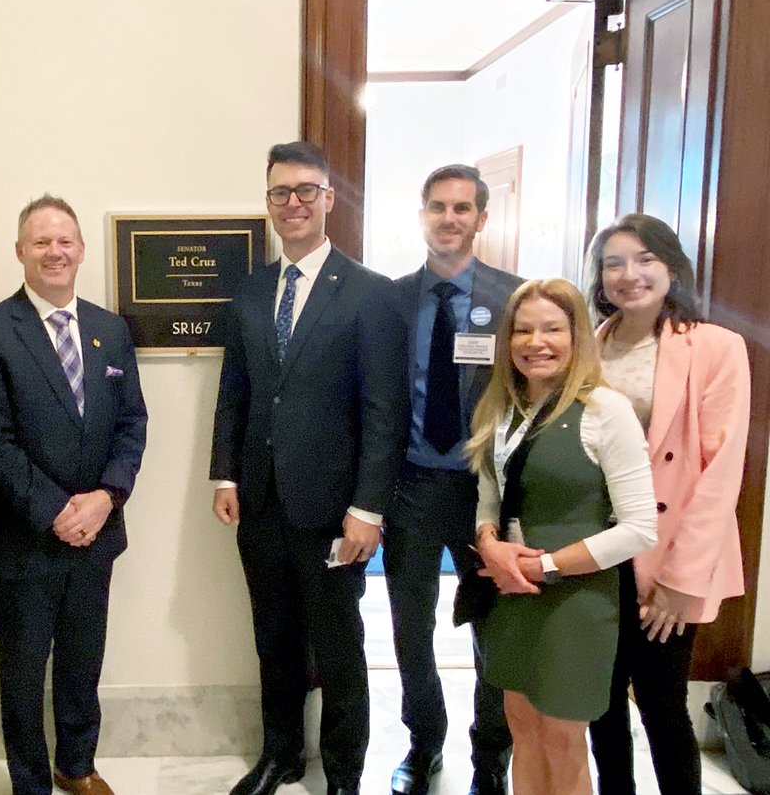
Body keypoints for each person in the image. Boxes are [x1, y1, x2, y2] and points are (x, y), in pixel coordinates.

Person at [210, 141, 409, 795]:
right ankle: (282, 755)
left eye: (305, 191)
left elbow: (385, 411)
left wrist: (369, 508)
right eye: (279, 193)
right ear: (267, 203)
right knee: (274, 638)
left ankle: (346, 773)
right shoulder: (251, 290)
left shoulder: (371, 294)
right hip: (260, 502)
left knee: (340, 647)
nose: (292, 204)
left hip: (333, 510)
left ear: (329, 198)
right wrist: (226, 475)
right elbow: (235, 389)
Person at [0, 194, 148, 795]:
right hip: (24, 541)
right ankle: (30, 782)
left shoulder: (109, 330)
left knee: (82, 664)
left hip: (95, 535)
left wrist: (107, 497)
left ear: (81, 249)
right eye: (42, 241)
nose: (55, 251)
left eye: (65, 240)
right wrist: (55, 510)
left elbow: (132, 425)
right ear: (20, 251)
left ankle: (76, 766)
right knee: (21, 675)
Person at [465, 278, 657, 795]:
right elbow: (489, 495)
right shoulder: (500, 409)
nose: (535, 342)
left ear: (577, 337)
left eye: (552, 328)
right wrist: (489, 543)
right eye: (522, 330)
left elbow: (640, 528)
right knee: (524, 731)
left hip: (576, 600)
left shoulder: (605, 411)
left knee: (562, 740)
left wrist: (542, 567)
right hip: (512, 595)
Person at [584, 214, 750, 795]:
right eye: (613, 263)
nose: (630, 275)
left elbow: (720, 472)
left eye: (645, 259)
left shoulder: (715, 347)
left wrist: (683, 579)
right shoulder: (590, 345)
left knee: (660, 702)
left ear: (672, 266)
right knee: (599, 702)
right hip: (599, 551)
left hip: (668, 555)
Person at [386, 164, 519, 795]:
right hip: (411, 487)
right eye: (438, 206)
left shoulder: (515, 298)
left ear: (481, 219)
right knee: (409, 627)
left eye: (462, 208)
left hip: (485, 493)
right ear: (422, 215)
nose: (449, 218)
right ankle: (423, 743)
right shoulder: (391, 299)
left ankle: (491, 755)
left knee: (493, 626)